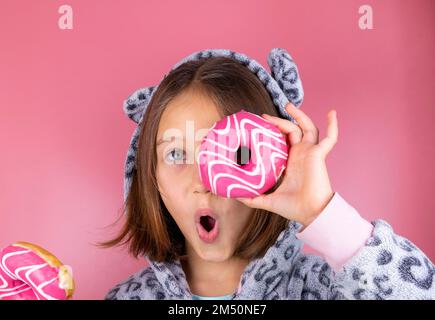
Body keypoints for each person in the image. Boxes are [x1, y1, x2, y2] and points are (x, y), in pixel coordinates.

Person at [102, 48, 434, 300]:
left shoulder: (328, 289)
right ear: (149, 174)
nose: (203, 182)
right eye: (176, 154)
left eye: (237, 153)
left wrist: (322, 211)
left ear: (279, 162)